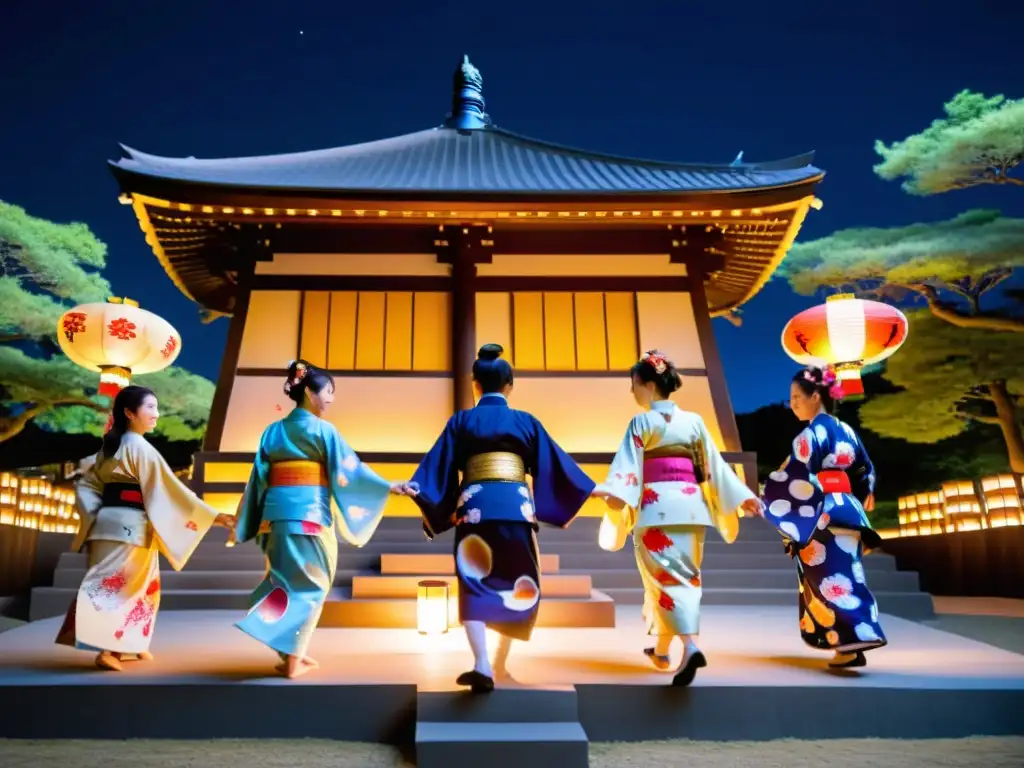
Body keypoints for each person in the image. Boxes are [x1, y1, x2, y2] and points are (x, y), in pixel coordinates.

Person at [396, 343, 594, 693]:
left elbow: (437, 465)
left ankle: (482, 664)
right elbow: (555, 463)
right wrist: (589, 489)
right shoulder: (525, 422)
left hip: (475, 509)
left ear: (475, 384)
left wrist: (419, 489)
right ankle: (500, 664)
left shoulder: (462, 421)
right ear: (510, 385)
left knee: (473, 583)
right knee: (520, 581)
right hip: (517, 510)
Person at [591, 350, 763, 687]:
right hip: (692, 508)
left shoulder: (641, 423)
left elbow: (627, 471)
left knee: (667, 582)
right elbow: (715, 467)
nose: (632, 391)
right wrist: (744, 496)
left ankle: (690, 645)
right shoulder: (694, 421)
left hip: (655, 509)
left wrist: (610, 493)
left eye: (634, 384)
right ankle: (660, 651)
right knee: (681, 578)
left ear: (649, 384)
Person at [232, 360, 405, 679]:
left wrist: (249, 518)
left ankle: (288, 652)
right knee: (312, 585)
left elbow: (258, 478)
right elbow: (350, 472)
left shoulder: (274, 430)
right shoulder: (323, 430)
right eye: (328, 392)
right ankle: (293, 658)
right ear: (310, 393)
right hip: (308, 515)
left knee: (284, 582)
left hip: (275, 516)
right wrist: (387, 487)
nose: (331, 399)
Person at [56, 385, 233, 671]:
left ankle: (131, 644)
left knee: (128, 585)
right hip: (130, 526)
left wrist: (95, 514)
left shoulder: (110, 449)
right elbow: (170, 491)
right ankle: (108, 649)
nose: (156, 414)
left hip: (109, 523)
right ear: (129, 412)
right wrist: (214, 516)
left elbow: (86, 485)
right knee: (120, 587)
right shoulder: (139, 447)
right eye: (150, 407)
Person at [760, 365, 887, 669]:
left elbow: (795, 479)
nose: (792, 403)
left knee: (829, 580)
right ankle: (853, 639)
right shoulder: (846, 431)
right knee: (849, 575)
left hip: (822, 513)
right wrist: (861, 494)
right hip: (849, 512)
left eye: (796, 396)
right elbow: (865, 472)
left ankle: (852, 639)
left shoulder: (811, 434)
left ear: (816, 396)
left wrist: (769, 501)